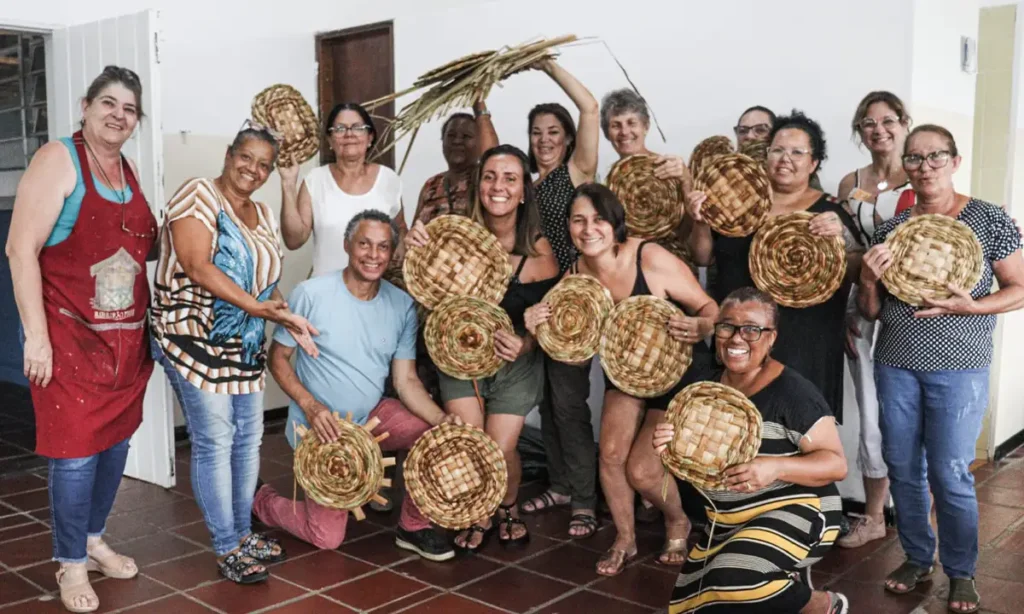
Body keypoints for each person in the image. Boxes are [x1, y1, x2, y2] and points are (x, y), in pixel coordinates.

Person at [7, 66, 155, 614]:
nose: (119, 115)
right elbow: (20, 251)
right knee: (73, 457)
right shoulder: (57, 159)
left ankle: (93, 539)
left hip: (123, 345)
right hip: (67, 339)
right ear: (86, 105)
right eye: (108, 103)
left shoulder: (128, 169)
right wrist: (36, 340)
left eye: (129, 108)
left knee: (114, 446)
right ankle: (70, 562)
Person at [858, 125, 1024, 613]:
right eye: (914, 158)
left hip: (959, 367)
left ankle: (961, 570)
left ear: (955, 160)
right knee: (904, 469)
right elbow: (871, 309)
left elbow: (1019, 287)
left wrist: (970, 307)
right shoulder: (894, 227)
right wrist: (868, 277)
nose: (925, 166)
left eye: (936, 157)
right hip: (895, 363)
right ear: (904, 165)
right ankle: (916, 556)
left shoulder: (989, 219)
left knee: (951, 472)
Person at [151, 122, 318, 585]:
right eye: (246, 157)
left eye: (264, 164)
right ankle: (227, 545)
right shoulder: (198, 194)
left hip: (242, 341)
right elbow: (196, 265)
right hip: (190, 335)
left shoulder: (262, 213)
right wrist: (258, 308)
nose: (253, 169)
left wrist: (287, 316)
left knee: (248, 439)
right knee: (215, 439)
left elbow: (264, 283)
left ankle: (243, 534)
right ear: (229, 154)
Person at [525, 183, 718, 576]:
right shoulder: (575, 275)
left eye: (598, 219)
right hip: (627, 378)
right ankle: (625, 538)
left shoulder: (649, 257)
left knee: (643, 471)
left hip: (680, 373)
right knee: (610, 455)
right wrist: (533, 322)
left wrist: (702, 326)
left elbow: (709, 307)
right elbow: (557, 338)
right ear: (568, 227)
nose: (588, 228)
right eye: (578, 220)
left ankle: (677, 519)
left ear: (615, 225)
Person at [252, 210, 456, 561]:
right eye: (364, 244)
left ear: (393, 253)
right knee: (326, 537)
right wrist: (312, 407)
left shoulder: (401, 304)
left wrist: (441, 422)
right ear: (347, 245)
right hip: (320, 428)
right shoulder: (311, 294)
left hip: (372, 420)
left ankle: (413, 526)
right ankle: (261, 500)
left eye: (382, 247)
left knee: (431, 434)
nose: (373, 255)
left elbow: (405, 379)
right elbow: (278, 359)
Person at [653, 287, 849, 614]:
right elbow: (695, 461)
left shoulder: (792, 392)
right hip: (730, 518)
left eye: (752, 329)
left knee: (735, 580)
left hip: (801, 507)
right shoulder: (703, 387)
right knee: (699, 605)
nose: (736, 339)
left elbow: (836, 464)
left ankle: (823, 605)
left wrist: (774, 467)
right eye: (727, 326)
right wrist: (669, 444)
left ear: (772, 338)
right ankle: (777, 582)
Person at [405, 144, 560, 550]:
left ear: (524, 190)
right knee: (470, 442)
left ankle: (507, 506)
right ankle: (480, 513)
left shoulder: (541, 253)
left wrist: (525, 343)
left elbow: (555, 323)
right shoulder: (452, 239)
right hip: (459, 359)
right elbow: (425, 284)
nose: (498, 186)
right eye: (490, 176)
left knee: (499, 448)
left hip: (515, 365)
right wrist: (416, 246)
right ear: (479, 186)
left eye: (510, 178)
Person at [687, 110, 861, 420]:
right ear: (766, 155)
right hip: (741, 337)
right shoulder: (738, 203)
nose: (785, 158)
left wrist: (843, 235)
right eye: (778, 150)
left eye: (797, 152)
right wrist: (699, 221)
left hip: (807, 341)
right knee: (735, 430)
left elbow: (858, 266)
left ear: (814, 163)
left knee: (798, 432)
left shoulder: (829, 210)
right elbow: (703, 257)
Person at [835, 91, 913, 549]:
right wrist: (844, 310)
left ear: (904, 122)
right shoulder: (852, 182)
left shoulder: (921, 175)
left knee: (907, 410)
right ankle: (872, 514)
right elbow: (842, 254)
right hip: (860, 305)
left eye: (887, 120)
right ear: (859, 130)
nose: (878, 130)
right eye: (868, 122)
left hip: (911, 311)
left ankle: (914, 507)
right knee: (869, 413)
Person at [279, 102, 407, 277]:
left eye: (358, 128)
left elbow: (399, 229)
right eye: (339, 129)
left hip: (375, 293)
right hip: (325, 294)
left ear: (370, 137)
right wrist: (288, 185)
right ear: (330, 140)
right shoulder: (315, 180)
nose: (349, 134)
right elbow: (294, 240)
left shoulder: (388, 179)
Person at [734, 105, 823, 191]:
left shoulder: (795, 172)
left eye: (760, 130)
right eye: (743, 130)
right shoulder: (725, 168)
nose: (749, 136)